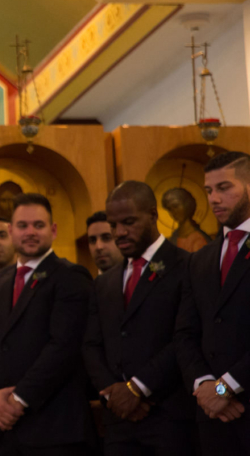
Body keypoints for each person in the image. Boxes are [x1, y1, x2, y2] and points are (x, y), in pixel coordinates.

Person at [0, 193, 93, 456]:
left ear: (53, 230)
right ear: (11, 231)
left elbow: (63, 348)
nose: (30, 232)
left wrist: (17, 400)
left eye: (39, 225)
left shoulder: (70, 276)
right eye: (23, 226)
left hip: (52, 427)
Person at [83, 181, 195, 455]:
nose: (119, 232)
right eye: (113, 224)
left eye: (129, 222)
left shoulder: (187, 266)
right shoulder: (105, 282)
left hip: (169, 416)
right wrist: (113, 395)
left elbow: (185, 337)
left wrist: (138, 389)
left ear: (153, 215)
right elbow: (91, 345)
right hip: (119, 421)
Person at [176, 151, 250, 453]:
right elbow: (184, 333)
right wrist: (205, 387)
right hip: (212, 416)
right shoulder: (201, 258)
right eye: (208, 190)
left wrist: (224, 389)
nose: (214, 199)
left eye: (224, 188)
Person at [162, 187, 211, 253]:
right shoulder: (175, 236)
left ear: (187, 205)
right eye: (170, 209)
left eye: (176, 206)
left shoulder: (198, 239)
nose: (173, 212)